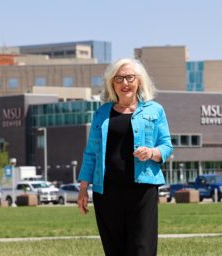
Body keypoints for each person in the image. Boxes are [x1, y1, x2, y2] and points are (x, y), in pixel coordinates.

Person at [77, 58, 173, 256]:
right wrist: (83, 188)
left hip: (142, 190)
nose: (125, 83)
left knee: (142, 249)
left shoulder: (155, 110)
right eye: (119, 78)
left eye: (130, 77)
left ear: (139, 81)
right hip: (107, 193)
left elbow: (166, 146)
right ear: (112, 83)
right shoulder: (101, 113)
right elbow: (91, 153)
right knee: (115, 250)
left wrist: (152, 152)